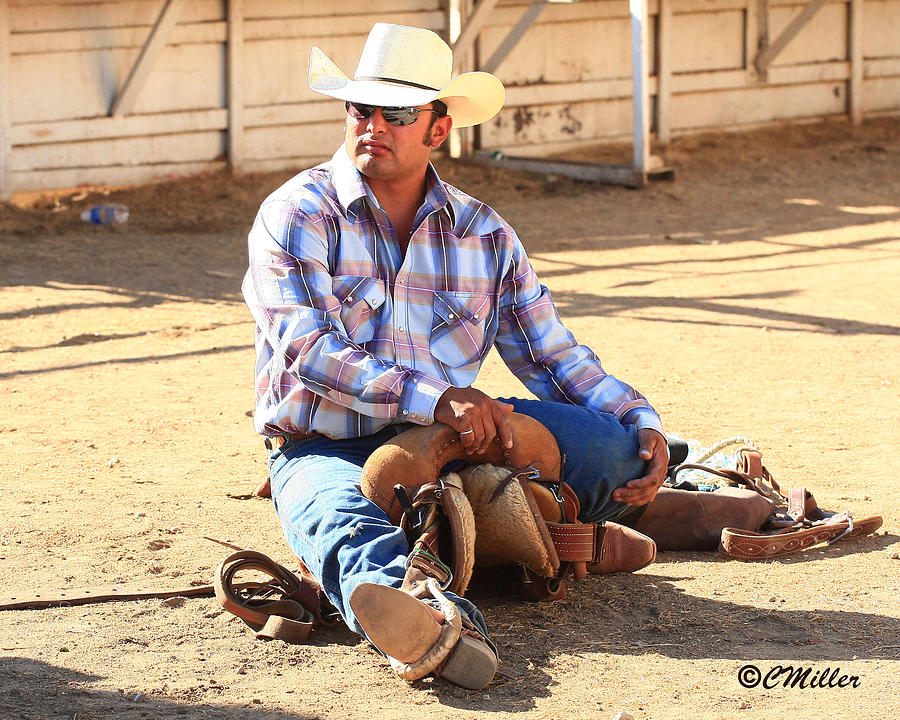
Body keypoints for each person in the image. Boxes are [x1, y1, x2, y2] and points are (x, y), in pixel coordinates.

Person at [241, 23, 668, 690]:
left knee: (618, 452)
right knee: (337, 519)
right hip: (323, 443)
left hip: (452, 435)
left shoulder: (484, 234)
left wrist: (640, 418)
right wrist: (436, 400)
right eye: (362, 109)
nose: (373, 126)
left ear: (438, 129)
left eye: (399, 113)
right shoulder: (295, 215)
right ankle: (431, 619)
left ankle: (495, 525)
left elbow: (550, 353)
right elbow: (307, 350)